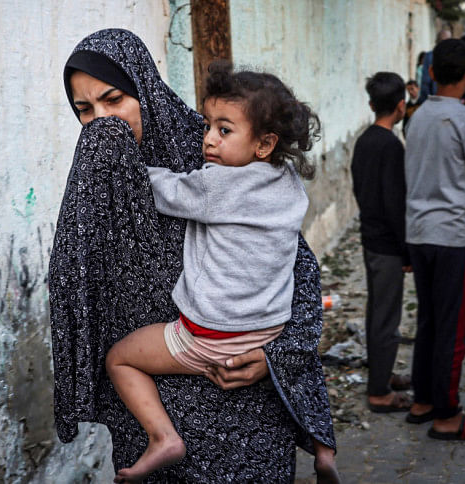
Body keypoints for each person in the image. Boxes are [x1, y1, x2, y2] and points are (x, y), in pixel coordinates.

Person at [51, 28, 336, 482]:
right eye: (84, 110)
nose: (102, 121)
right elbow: (76, 298)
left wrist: (274, 355)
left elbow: (298, 275)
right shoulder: (94, 183)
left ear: (144, 88)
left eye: (114, 100)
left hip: (244, 422)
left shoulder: (214, 153)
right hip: (149, 429)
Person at [404, 39, 465, 441]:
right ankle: (447, 414)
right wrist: (460, 209)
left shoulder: (417, 117)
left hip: (419, 234)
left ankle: (422, 399)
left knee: (428, 319)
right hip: (454, 237)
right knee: (452, 328)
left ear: (433, 74)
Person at [351, 72, 413, 416]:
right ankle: (379, 392)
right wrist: (406, 250)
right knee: (387, 317)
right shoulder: (391, 146)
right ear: (401, 106)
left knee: (378, 312)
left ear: (372, 104)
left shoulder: (363, 141)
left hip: (371, 237)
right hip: (387, 244)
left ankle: (383, 376)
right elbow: (395, 205)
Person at [418, 29, 453, 104]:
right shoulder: (429, 57)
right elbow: (425, 82)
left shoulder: (454, 57)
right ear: (437, 42)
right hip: (434, 100)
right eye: (442, 41)